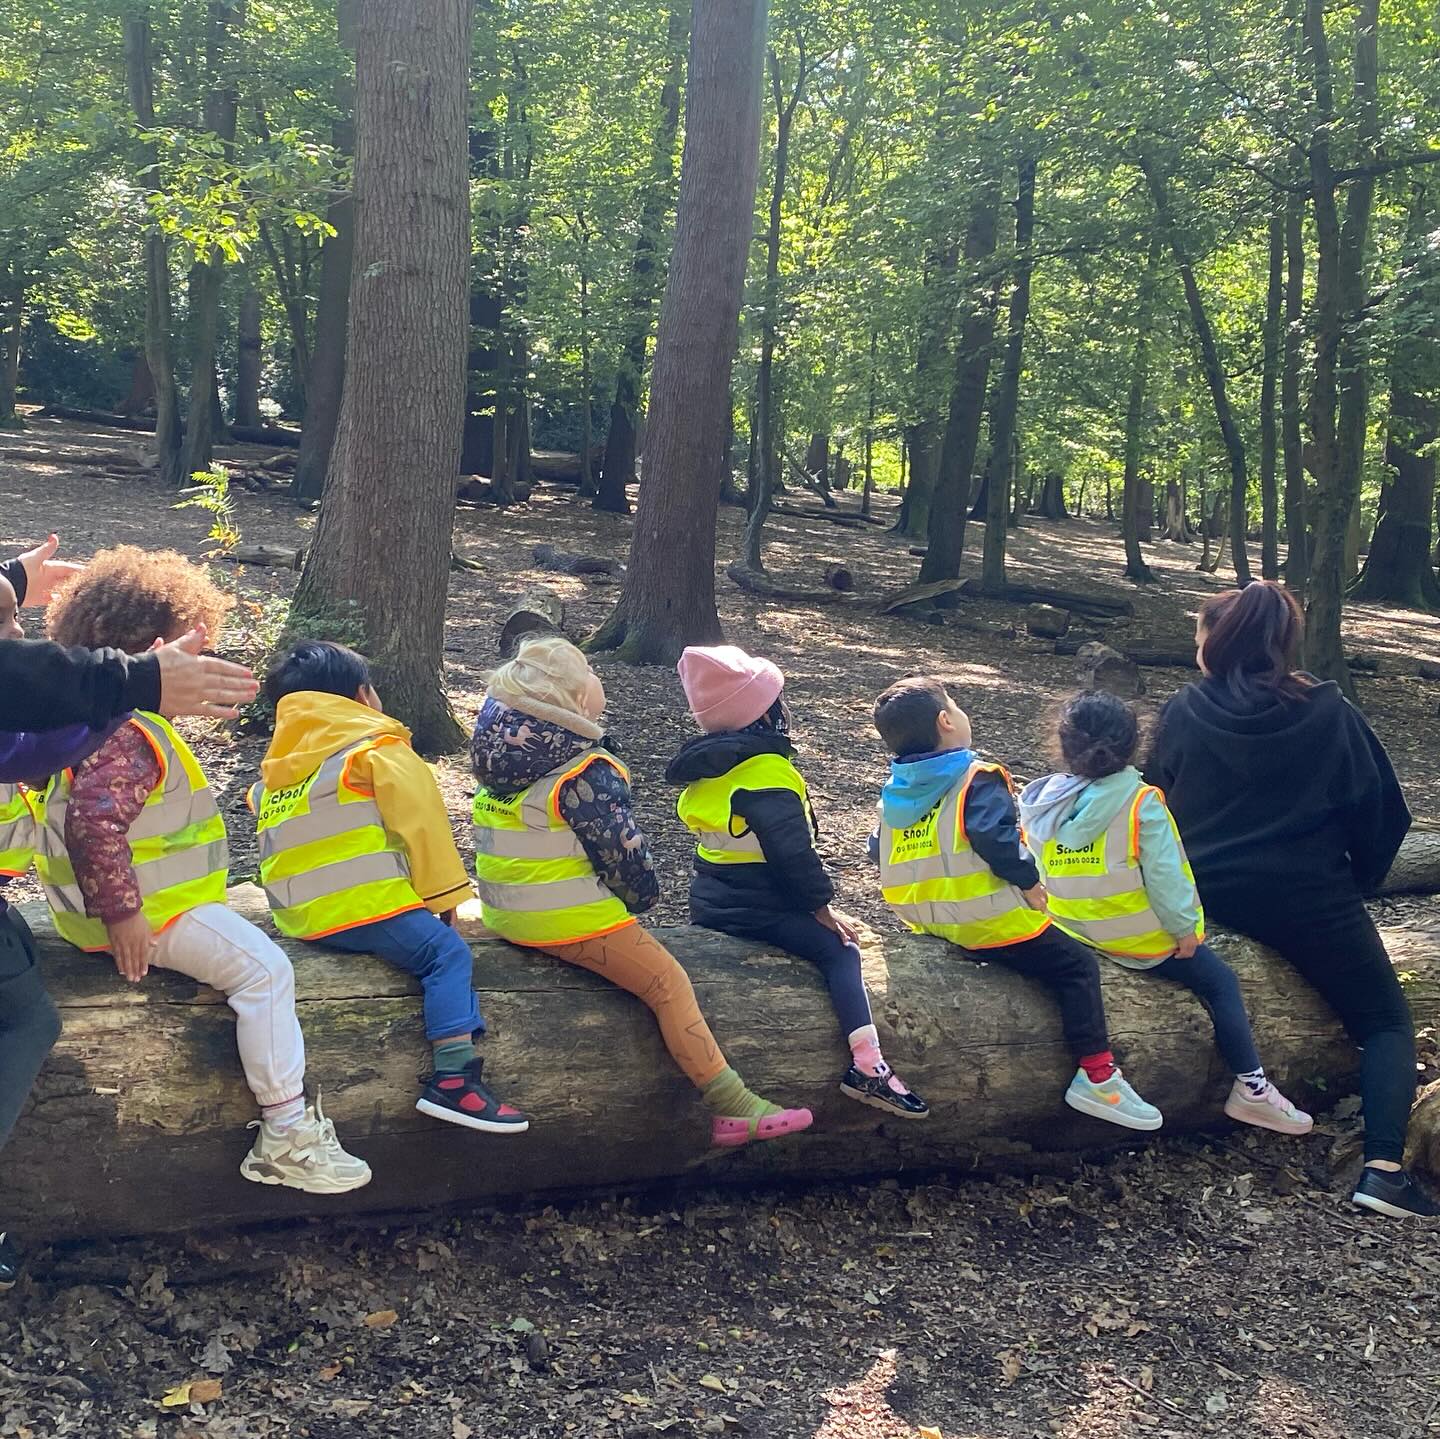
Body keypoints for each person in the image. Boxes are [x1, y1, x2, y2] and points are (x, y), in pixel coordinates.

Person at [34, 547, 370, 1198]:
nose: (211, 669)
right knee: (266, 970)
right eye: (202, 654)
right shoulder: (132, 731)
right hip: (149, 913)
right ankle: (286, 1131)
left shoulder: (87, 718)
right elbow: (92, 823)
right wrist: (125, 915)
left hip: (111, 910)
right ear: (161, 652)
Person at [0, 537, 259, 1291]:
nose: (24, 632)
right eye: (11, 622)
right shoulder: (120, 735)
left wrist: (14, 580)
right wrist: (139, 680)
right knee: (27, 1020)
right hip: (132, 925)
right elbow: (86, 814)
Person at [1147, 580, 1436, 1219]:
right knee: (1386, 1022)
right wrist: (1355, 885)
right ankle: (1384, 1173)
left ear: (1216, 643)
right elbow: (1385, 815)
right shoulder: (1330, 710)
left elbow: (1148, 806)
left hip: (1206, 894)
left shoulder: (1182, 711)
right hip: (1309, 898)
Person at [470, 634, 812, 1148]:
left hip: (503, 910)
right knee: (669, 984)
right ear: (574, 699)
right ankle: (733, 1106)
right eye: (588, 671)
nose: (597, 677)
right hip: (563, 919)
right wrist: (640, 902)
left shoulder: (502, 762)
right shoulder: (587, 772)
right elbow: (625, 861)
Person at [254, 640, 527, 1134]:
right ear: (363, 696)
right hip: (365, 908)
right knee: (446, 955)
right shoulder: (377, 750)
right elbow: (423, 828)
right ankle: (454, 1080)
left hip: (299, 919)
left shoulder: (278, 773)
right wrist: (444, 902)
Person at [871, 675, 1162, 1131]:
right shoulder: (975, 778)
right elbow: (995, 837)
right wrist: (1028, 883)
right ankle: (1098, 1075)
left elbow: (878, 848)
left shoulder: (897, 790)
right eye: (957, 705)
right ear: (946, 721)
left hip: (929, 920)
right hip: (987, 923)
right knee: (1077, 966)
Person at [1019, 690, 1312, 1135]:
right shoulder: (1141, 802)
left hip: (1073, 930)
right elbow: (1167, 876)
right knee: (1221, 982)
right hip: (1141, 941)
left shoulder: (1040, 803)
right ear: (1137, 743)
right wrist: (1185, 930)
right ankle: (1251, 1087)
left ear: (1062, 745)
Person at [666, 646, 927, 1119]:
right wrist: (821, 908)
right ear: (765, 713)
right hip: (763, 906)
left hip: (711, 902)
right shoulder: (766, 773)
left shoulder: (710, 767)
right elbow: (792, 855)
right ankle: (867, 1067)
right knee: (842, 951)